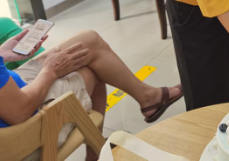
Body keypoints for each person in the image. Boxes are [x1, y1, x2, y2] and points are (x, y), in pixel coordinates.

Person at [0, 29, 182, 161]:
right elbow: (19, 111)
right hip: (23, 131)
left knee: (89, 40)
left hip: (12, 88)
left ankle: (148, 97)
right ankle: (95, 154)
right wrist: (50, 71)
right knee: (95, 68)